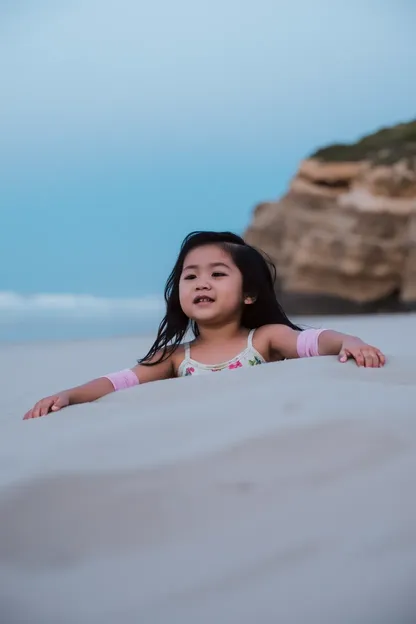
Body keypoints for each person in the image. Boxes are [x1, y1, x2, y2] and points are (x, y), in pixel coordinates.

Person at [23, 231, 385, 420]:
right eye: (190, 276)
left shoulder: (265, 339)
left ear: (249, 294)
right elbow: (118, 381)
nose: (201, 283)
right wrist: (69, 396)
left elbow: (312, 341)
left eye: (217, 274)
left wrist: (348, 342)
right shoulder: (174, 358)